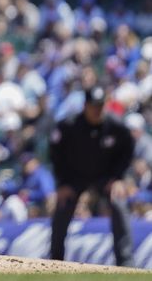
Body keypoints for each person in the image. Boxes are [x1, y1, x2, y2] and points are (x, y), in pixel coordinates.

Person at [48, 87, 135, 266]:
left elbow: (128, 151)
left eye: (101, 105)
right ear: (85, 106)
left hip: (105, 177)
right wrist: (62, 183)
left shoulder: (116, 126)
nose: (98, 110)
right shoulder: (69, 126)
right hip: (75, 178)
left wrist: (119, 177)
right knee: (62, 206)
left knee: (118, 202)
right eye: (93, 106)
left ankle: (126, 264)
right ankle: (54, 262)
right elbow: (55, 154)